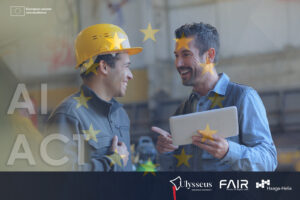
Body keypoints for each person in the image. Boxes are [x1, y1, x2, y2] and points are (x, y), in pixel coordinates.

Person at [152, 22, 277, 171]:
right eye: (176, 56)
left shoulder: (243, 98)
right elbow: (174, 172)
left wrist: (229, 151)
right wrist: (166, 152)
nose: (178, 63)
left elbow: (269, 161)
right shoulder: (183, 109)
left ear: (209, 55)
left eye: (186, 54)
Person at [46, 24, 142, 171]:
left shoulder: (120, 116)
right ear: (104, 67)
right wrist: (113, 162)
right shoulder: (69, 115)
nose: (130, 75)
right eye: (126, 66)